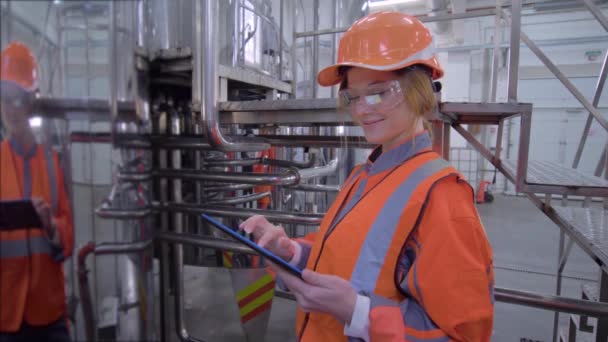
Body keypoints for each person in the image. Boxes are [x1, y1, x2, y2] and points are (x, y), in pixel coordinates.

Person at [240, 11, 494, 342]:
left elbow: (463, 336)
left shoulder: (442, 196)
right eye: (352, 96)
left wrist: (359, 314)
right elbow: (345, 257)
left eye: (379, 92)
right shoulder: (366, 174)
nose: (361, 110)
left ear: (419, 89)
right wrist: (288, 251)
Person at [0, 41, 74, 342]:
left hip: (49, 314)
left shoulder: (51, 161)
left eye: (17, 99)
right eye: (4, 99)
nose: (10, 109)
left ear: (30, 102)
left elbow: (68, 238)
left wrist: (51, 227)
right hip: (7, 316)